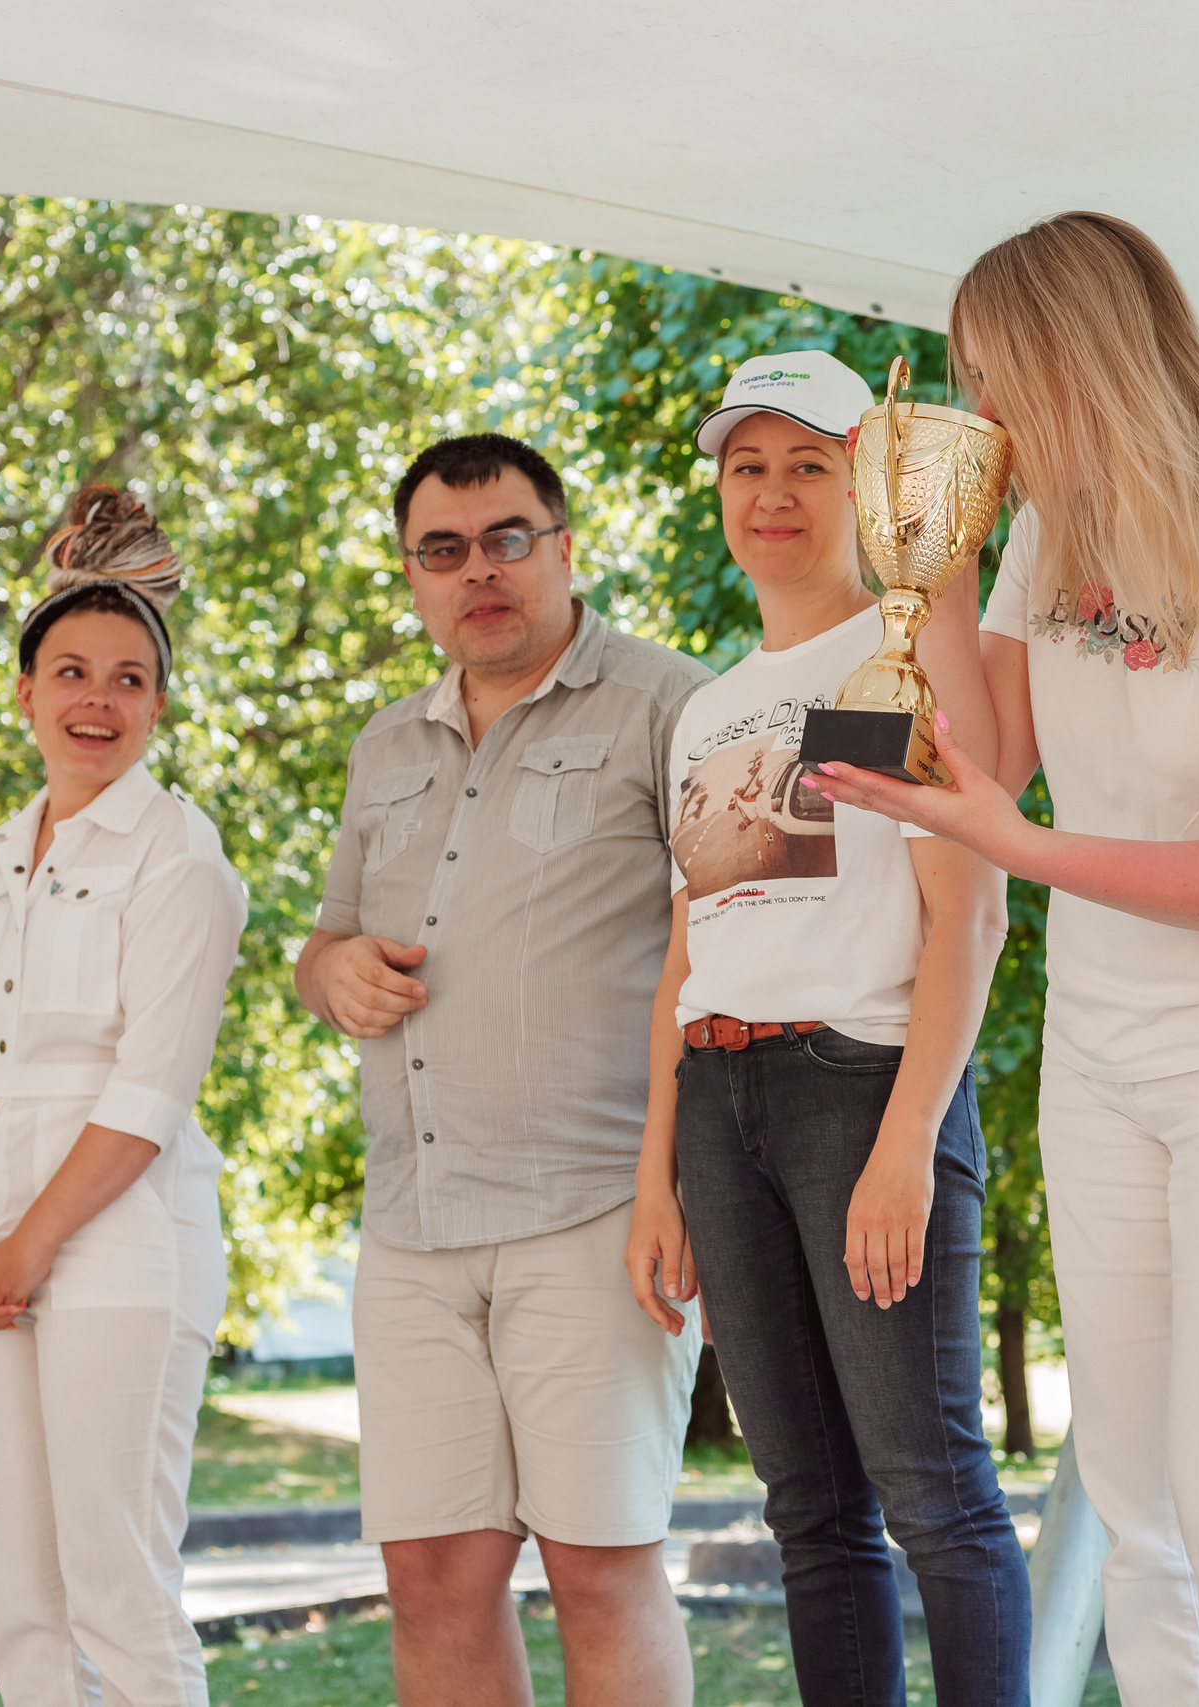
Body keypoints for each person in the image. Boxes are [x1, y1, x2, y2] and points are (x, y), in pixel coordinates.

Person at [818, 212, 1199, 1707]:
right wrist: (926, 555)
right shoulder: (1044, 532)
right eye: (969, 390)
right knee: (1141, 1519)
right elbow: (995, 752)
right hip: (1103, 1055)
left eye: (1004, 384)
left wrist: (1014, 848)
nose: (990, 421)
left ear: (1094, 361)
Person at [622, 350, 1028, 1706]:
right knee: (806, 1504)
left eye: (811, 462)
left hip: (860, 1088)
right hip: (724, 1104)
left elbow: (965, 915)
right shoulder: (709, 704)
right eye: (748, 464)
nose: (774, 493)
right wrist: (660, 1178)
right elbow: (699, 941)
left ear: (874, 481)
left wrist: (910, 1135)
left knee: (933, 1491)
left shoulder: (900, 651)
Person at [293, 434, 710, 1707]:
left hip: (598, 1209)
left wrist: (674, 1186)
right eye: (444, 550)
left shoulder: (675, 705)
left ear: (565, 546)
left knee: (600, 1568)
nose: (478, 571)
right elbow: (324, 943)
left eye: (506, 539)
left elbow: (731, 960)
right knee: (428, 1573)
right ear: (413, 576)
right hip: (412, 1225)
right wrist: (333, 973)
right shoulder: (384, 744)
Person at [0, 485, 247, 1706]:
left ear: (157, 705)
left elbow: (147, 1094)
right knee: (28, 1598)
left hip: (117, 1252)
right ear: (26, 693)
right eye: (70, 672)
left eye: (125, 679)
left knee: (115, 1582)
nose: (95, 701)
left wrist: (27, 1250)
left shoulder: (183, 861)